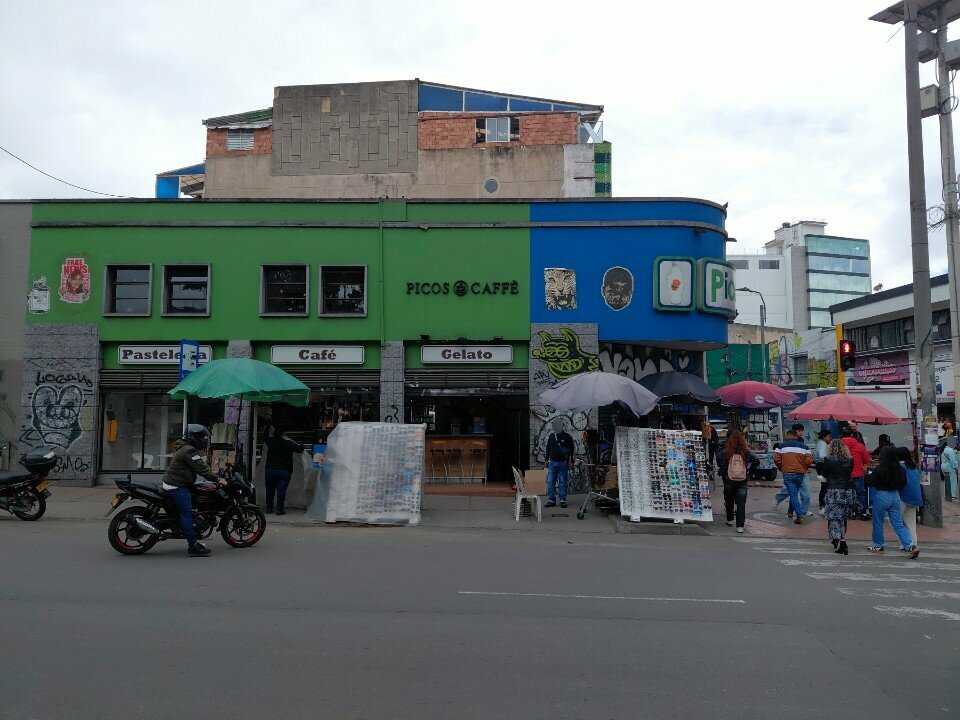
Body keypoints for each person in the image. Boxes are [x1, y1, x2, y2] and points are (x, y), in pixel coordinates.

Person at [160, 424, 223, 557]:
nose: (204, 440)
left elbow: (199, 466)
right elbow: (201, 468)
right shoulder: (189, 451)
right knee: (187, 514)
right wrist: (217, 479)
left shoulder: (185, 448)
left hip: (176, 482)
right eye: (202, 437)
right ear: (194, 437)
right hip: (176, 485)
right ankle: (193, 545)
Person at [867, 446, 919, 558]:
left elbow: (869, 482)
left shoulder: (880, 469)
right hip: (895, 496)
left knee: (878, 521)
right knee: (898, 523)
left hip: (882, 495)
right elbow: (903, 483)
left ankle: (878, 545)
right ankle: (910, 545)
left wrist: (869, 476)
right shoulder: (900, 469)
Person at [815, 439, 857, 555]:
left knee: (834, 517)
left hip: (834, 490)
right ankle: (841, 540)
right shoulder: (850, 459)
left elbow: (824, 474)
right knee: (843, 517)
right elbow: (849, 472)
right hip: (847, 490)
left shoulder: (829, 459)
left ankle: (839, 540)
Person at [717, 429, 757, 533]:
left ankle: (730, 520)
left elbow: (720, 463)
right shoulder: (746, 452)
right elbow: (756, 461)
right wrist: (749, 471)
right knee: (741, 503)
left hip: (729, 479)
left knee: (729, 499)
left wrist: (724, 472)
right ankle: (740, 526)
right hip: (742, 479)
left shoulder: (726, 451)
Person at [263, 426, 306, 515]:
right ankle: (279, 509)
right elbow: (299, 449)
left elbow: (265, 436)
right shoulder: (288, 443)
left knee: (269, 490)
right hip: (284, 470)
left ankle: (269, 508)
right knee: (281, 491)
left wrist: (268, 426)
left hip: (270, 470)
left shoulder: (270, 441)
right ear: (283, 434)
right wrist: (302, 444)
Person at [775, 426, 813, 524]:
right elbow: (809, 460)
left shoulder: (781, 446)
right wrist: (804, 468)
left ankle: (799, 515)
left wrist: (781, 468)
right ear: (796, 436)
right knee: (794, 493)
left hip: (788, 473)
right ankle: (790, 511)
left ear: (787, 436)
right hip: (800, 474)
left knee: (793, 494)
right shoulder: (804, 447)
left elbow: (777, 460)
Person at [841, 426, 871, 520]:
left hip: (844, 475)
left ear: (842, 435)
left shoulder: (839, 446)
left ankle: (852, 512)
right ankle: (863, 513)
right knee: (860, 493)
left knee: (847, 493)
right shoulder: (859, 446)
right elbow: (867, 460)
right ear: (851, 435)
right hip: (858, 473)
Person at [544, 418, 575, 509]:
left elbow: (572, 450)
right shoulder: (551, 436)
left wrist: (571, 462)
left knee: (563, 482)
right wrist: (546, 460)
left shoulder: (567, 437)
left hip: (563, 463)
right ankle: (552, 500)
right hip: (552, 463)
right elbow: (548, 448)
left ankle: (562, 500)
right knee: (550, 482)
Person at [896, 447, 923, 551]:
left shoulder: (899, 467)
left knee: (894, 520)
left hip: (903, 496)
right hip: (915, 498)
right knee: (911, 522)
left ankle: (906, 542)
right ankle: (913, 543)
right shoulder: (913, 468)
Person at [815, 429, 832, 512]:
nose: (830, 438)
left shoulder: (819, 443)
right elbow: (822, 456)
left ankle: (822, 503)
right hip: (822, 466)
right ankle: (823, 504)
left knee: (824, 485)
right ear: (824, 437)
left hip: (819, 465)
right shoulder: (823, 444)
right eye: (829, 436)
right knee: (825, 485)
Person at [941, 435, 959, 502]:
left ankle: (946, 494)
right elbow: (952, 460)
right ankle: (952, 495)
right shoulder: (950, 450)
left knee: (946, 481)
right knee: (953, 481)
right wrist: (956, 467)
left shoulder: (944, 449)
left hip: (943, 466)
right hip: (950, 467)